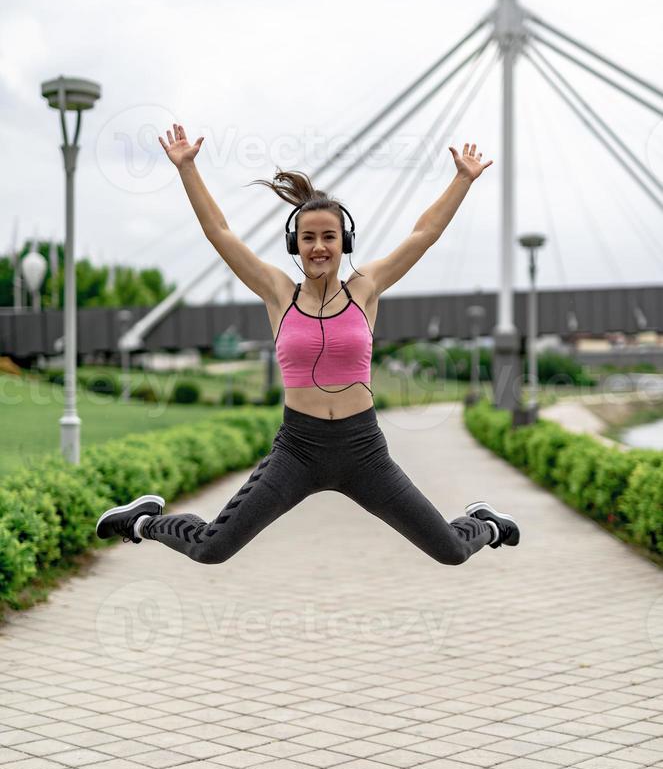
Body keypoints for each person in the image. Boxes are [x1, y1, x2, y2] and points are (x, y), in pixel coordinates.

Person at [95, 124, 520, 565]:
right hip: (299, 448)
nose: (318, 246)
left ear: (344, 242)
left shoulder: (364, 288)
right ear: (295, 244)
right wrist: (187, 170)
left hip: (364, 451)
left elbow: (422, 234)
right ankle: (143, 521)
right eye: (308, 237)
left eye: (329, 237)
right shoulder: (279, 292)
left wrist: (462, 180)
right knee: (211, 548)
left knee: (451, 551)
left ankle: (486, 524)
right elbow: (219, 232)